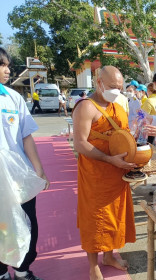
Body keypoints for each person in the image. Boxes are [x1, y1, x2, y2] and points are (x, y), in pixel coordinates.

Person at [72, 66, 136, 280]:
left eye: (119, 87)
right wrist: (108, 159)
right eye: (111, 87)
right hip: (95, 174)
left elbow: (124, 138)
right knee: (95, 220)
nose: (116, 91)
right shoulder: (86, 107)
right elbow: (80, 144)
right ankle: (93, 266)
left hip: (117, 174)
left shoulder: (118, 107)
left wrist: (133, 158)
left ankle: (109, 257)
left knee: (113, 219)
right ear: (98, 82)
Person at [0, 47, 49, 280]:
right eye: (2, 65)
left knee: (28, 221)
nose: (7, 70)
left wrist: (38, 170)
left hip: (19, 175)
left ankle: (22, 270)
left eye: (8, 65)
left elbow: (26, 136)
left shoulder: (13, 97)